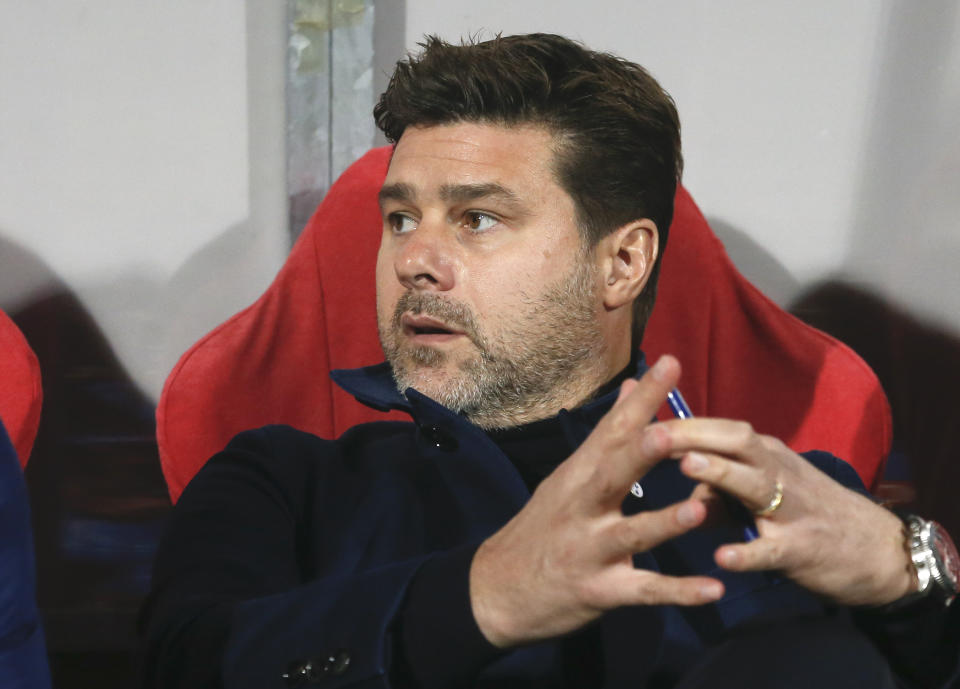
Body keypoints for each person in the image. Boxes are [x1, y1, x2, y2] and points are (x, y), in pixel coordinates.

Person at [140, 34, 959, 688]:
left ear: (622, 263)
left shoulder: (779, 497)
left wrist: (907, 569)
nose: (415, 259)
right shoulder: (278, 482)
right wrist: (482, 596)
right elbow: (189, 662)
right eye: (400, 219)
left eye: (478, 220)